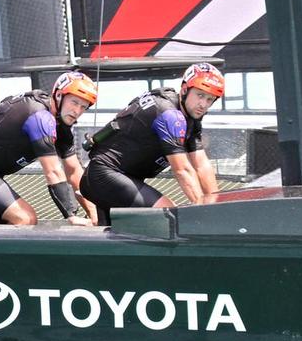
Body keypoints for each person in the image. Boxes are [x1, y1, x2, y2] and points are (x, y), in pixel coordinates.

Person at [0, 71, 97, 226]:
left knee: (11, 219)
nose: (77, 111)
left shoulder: (61, 125)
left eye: (83, 107)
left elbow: (74, 171)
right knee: (25, 219)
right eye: (74, 102)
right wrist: (71, 214)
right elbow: (54, 172)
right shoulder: (40, 116)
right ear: (59, 95)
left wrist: (94, 215)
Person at [80, 62, 224, 225]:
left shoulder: (191, 117)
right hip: (103, 176)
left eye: (210, 99)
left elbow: (201, 165)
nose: (203, 104)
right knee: (171, 218)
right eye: (200, 95)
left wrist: (216, 206)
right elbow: (182, 170)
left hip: (122, 180)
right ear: (184, 90)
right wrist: (204, 213)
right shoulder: (169, 114)